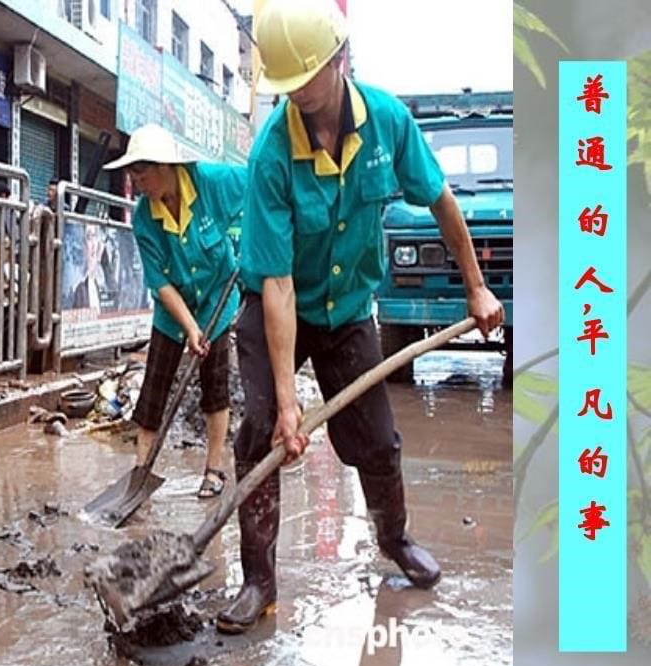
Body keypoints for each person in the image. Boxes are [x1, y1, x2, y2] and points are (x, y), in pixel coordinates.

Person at [216, 0, 505, 634]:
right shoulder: (271, 154)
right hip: (275, 305)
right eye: (284, 85)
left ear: (336, 60)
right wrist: (289, 405)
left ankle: (394, 539)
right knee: (260, 428)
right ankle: (259, 579)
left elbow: (441, 199)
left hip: (348, 312)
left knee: (376, 440)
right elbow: (279, 284)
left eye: (304, 82)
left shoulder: (388, 121)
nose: (294, 96)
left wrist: (477, 288)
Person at [103, 124, 245, 498]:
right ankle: (141, 471)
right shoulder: (144, 218)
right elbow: (161, 283)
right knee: (155, 387)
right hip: (173, 308)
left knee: (215, 387)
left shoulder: (212, 183)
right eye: (132, 175)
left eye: (142, 173)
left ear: (165, 166)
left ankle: (214, 470)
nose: (137, 184)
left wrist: (257, 233)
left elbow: (261, 187)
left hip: (217, 297)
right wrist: (189, 328)